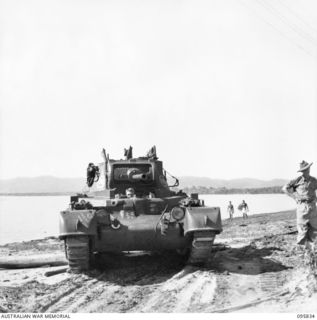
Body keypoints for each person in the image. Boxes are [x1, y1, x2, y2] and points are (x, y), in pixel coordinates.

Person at [282, 160, 317, 254]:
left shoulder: (314, 180)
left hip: (313, 207)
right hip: (302, 207)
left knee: (314, 228)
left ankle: (310, 250)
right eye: (305, 169)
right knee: (302, 229)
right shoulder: (297, 180)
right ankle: (303, 251)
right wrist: (294, 197)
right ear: (302, 171)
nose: (307, 170)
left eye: (308, 168)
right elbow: (285, 188)